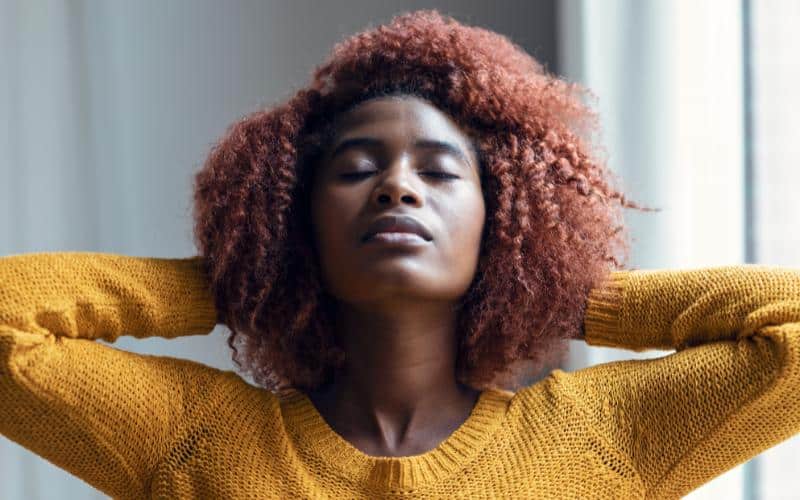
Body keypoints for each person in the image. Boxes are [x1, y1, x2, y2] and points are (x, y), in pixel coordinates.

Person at [1, 9, 799, 499]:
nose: (397, 188)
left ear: (505, 222)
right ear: (296, 219)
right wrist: (251, 275)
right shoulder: (197, 441)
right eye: (354, 170)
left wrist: (561, 294)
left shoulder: (599, 443)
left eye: (440, 173)